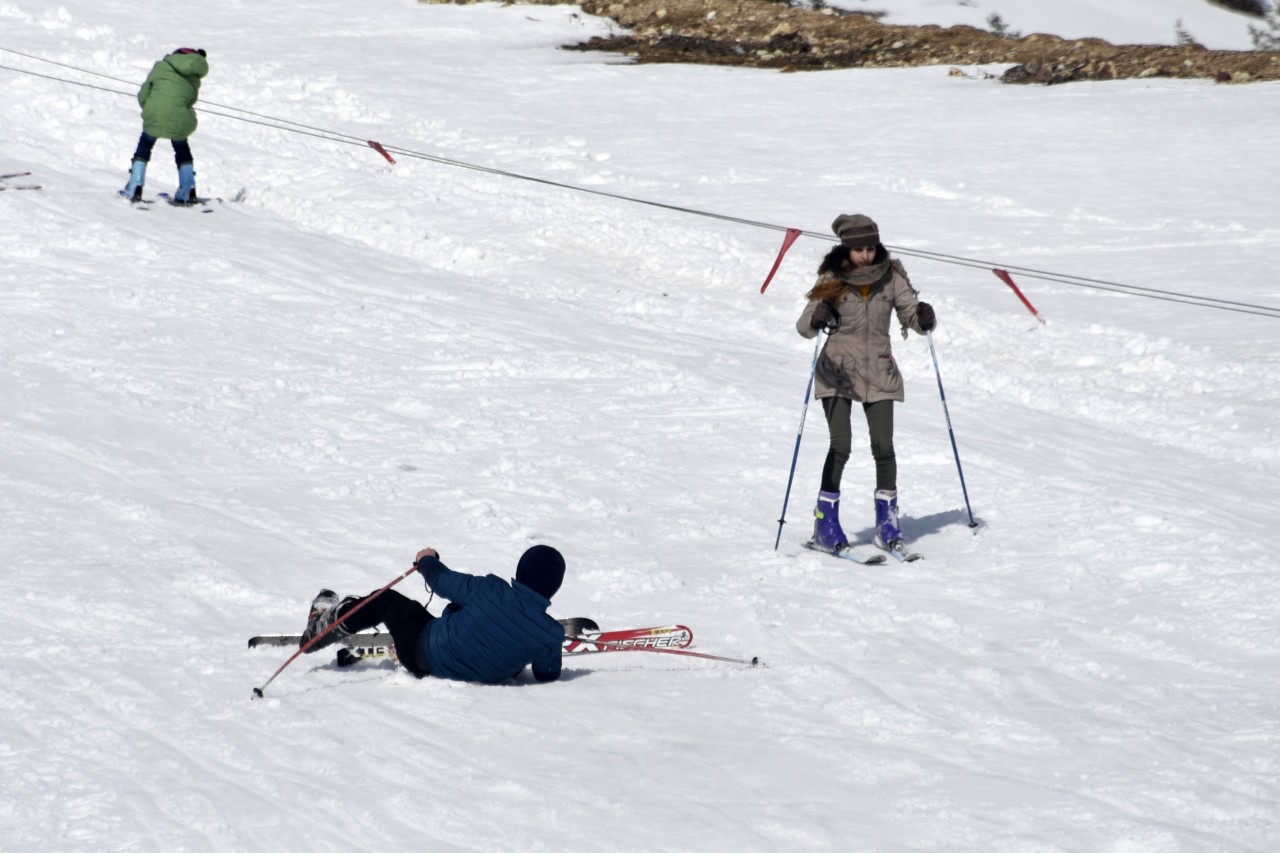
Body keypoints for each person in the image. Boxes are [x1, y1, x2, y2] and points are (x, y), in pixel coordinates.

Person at [795, 213, 937, 555]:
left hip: (879, 371)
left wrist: (922, 318)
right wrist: (816, 317)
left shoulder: (891, 277)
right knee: (840, 445)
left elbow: (909, 313)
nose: (866, 256)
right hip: (837, 372)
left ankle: (887, 524)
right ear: (847, 249)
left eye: (871, 248)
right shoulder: (832, 278)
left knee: (883, 447)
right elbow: (804, 327)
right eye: (859, 249)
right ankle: (825, 524)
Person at [299, 545, 567, 684]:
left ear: (521, 571)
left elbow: (442, 581)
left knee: (386, 600)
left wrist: (426, 559)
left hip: (420, 653)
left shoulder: (491, 591)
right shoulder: (551, 635)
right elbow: (547, 674)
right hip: (484, 675)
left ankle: (320, 629)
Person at [121, 48, 209, 204]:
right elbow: (190, 99)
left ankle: (135, 185)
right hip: (180, 117)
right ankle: (187, 189)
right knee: (181, 146)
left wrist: (148, 107)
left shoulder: (161, 66)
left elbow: (143, 93)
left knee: (146, 144)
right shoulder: (195, 76)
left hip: (155, 112)